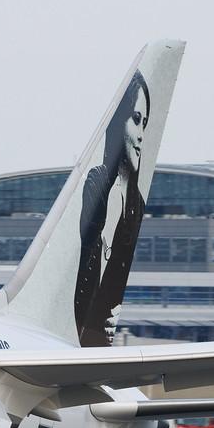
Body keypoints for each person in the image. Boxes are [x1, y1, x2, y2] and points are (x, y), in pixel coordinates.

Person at [71, 73, 151, 346]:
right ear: (120, 124)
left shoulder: (136, 206)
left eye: (145, 124)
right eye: (136, 120)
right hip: (77, 330)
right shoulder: (98, 183)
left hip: (91, 345)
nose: (141, 135)